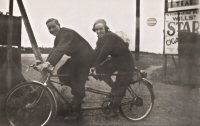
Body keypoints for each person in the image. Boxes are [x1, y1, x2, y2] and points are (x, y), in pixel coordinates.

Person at [37, 18, 95, 119]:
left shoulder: (66, 33)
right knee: (62, 72)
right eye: (49, 28)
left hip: (85, 58)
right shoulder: (59, 37)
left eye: (53, 26)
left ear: (59, 25)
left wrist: (49, 63)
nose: (51, 30)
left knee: (77, 83)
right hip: (77, 58)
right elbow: (54, 50)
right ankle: (79, 93)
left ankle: (77, 112)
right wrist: (45, 62)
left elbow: (61, 49)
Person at [91, 19, 134, 118]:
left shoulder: (110, 37)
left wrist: (94, 65)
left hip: (126, 61)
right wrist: (89, 65)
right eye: (96, 30)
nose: (98, 31)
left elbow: (104, 52)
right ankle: (116, 91)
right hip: (116, 60)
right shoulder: (100, 39)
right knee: (101, 72)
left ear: (105, 28)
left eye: (100, 29)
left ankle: (114, 110)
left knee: (119, 85)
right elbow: (96, 53)